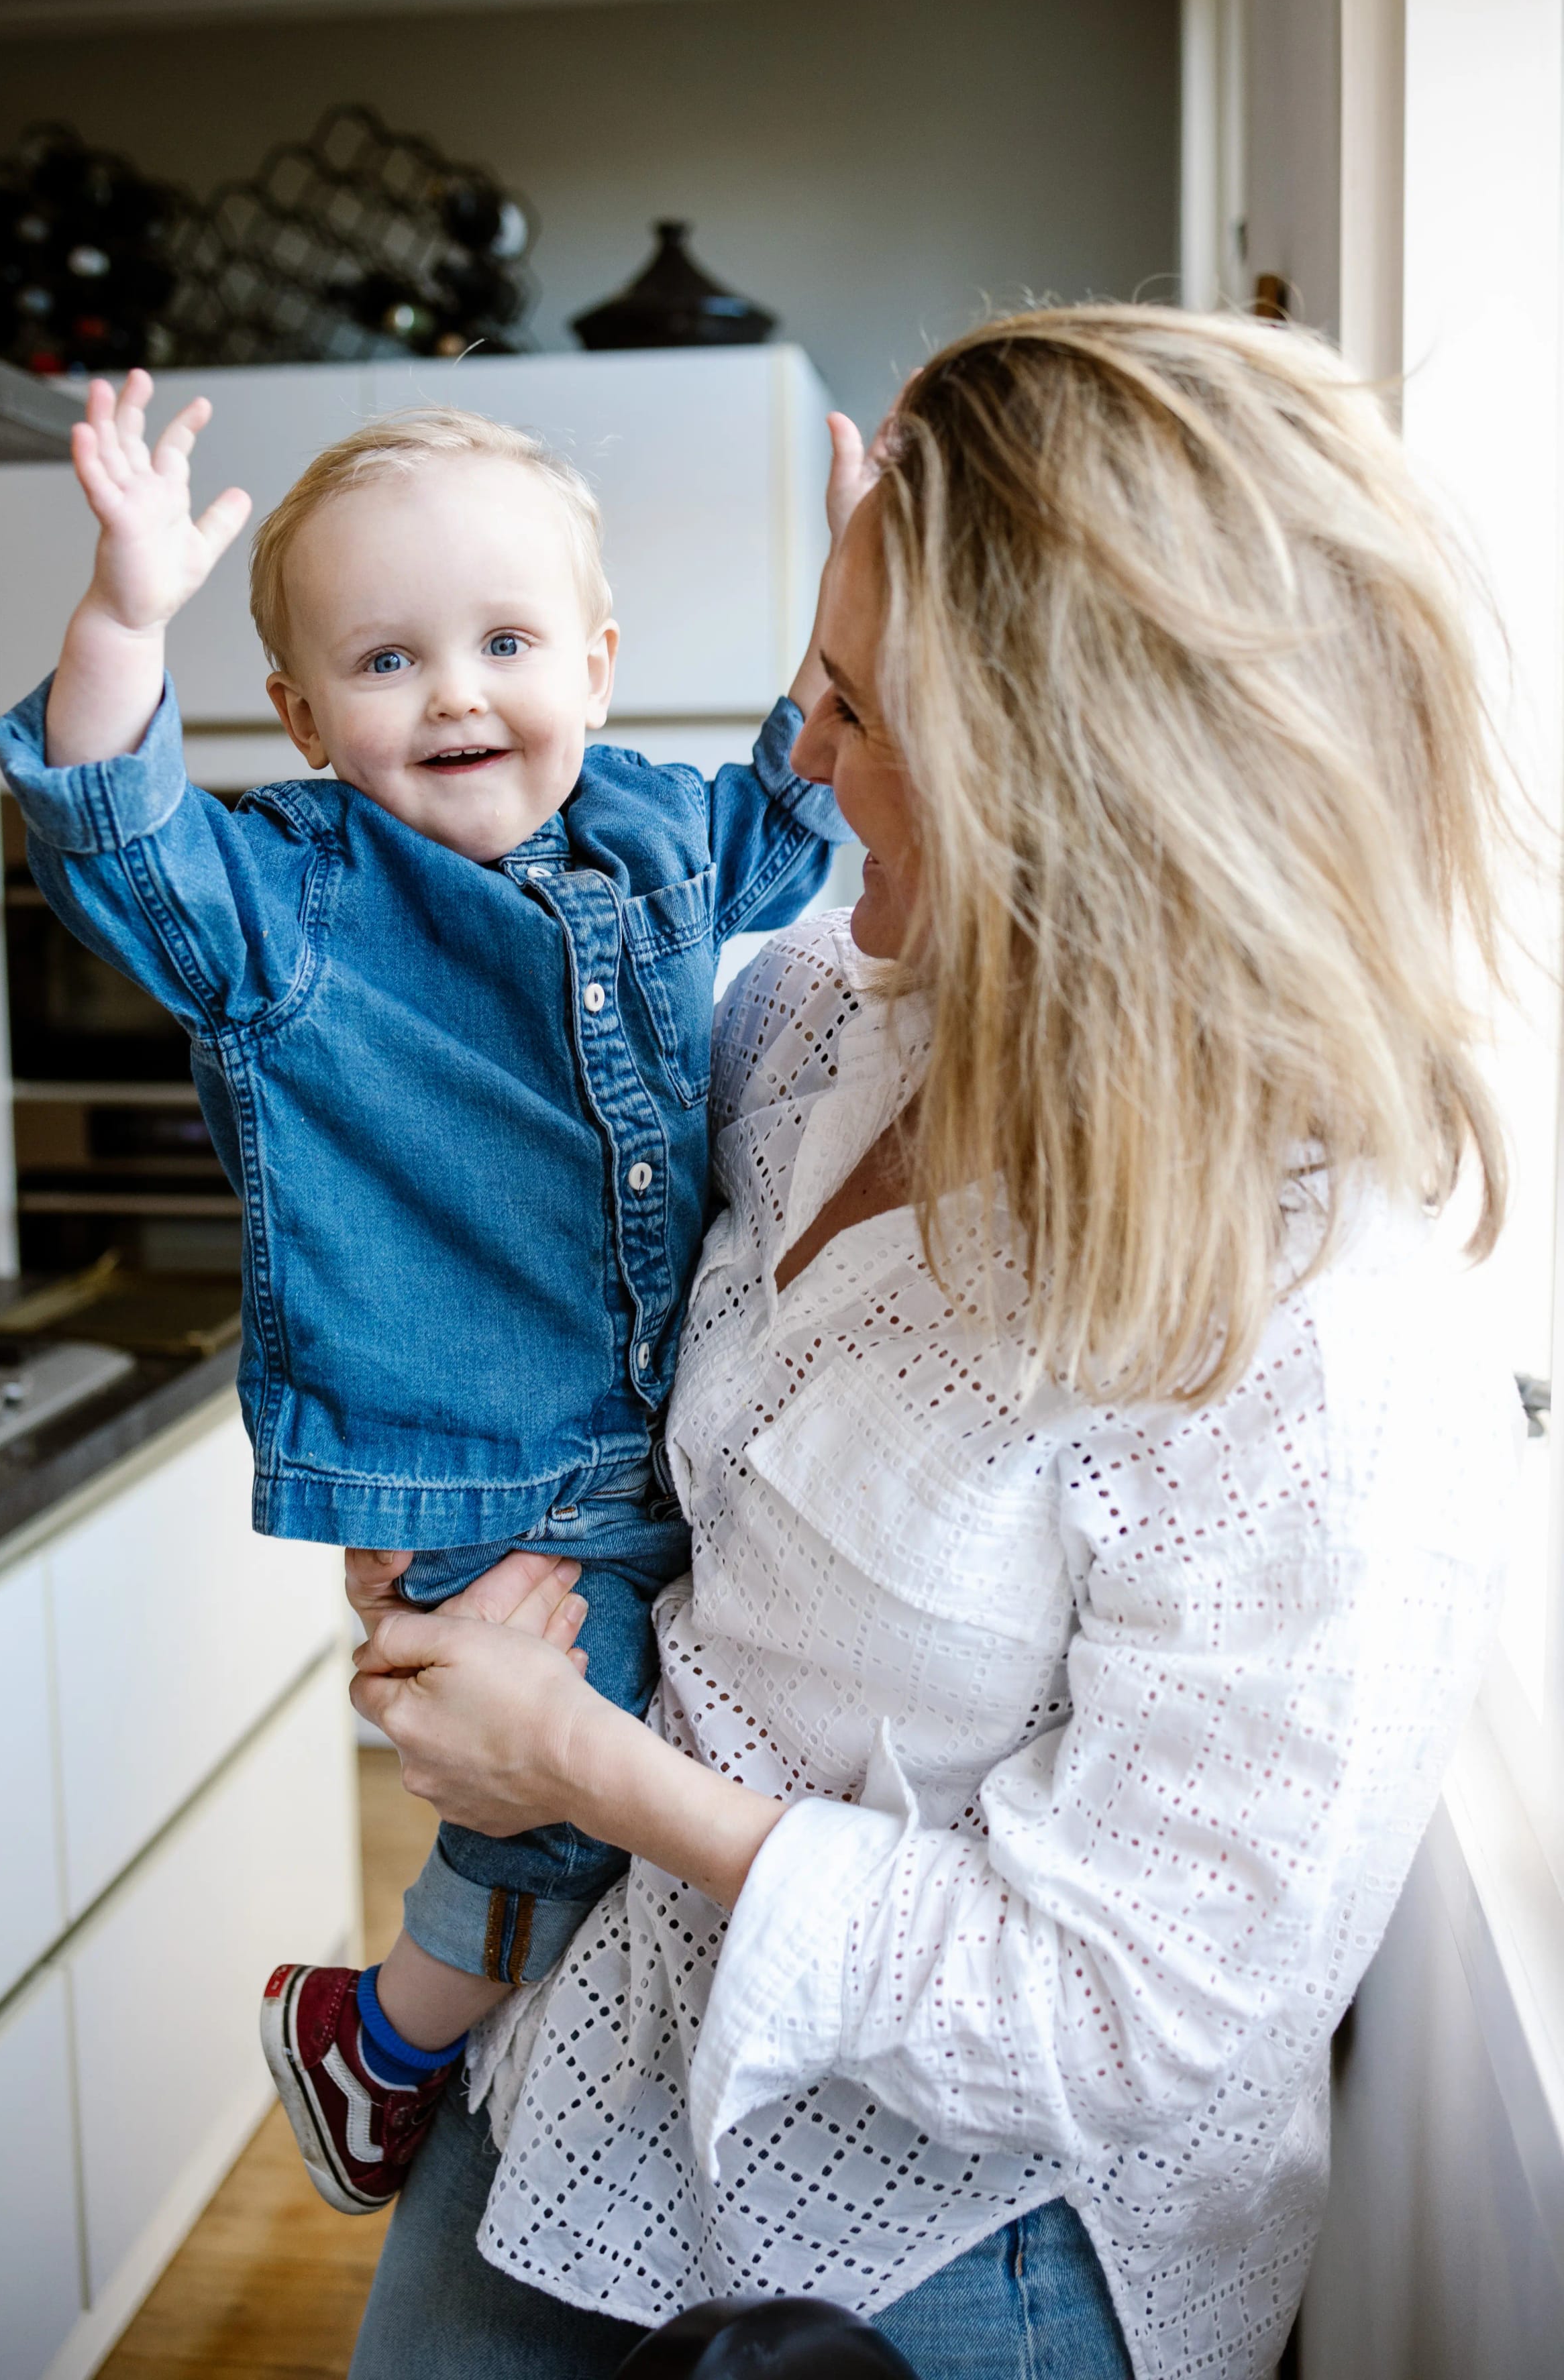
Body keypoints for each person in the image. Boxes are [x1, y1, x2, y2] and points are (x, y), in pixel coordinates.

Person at [343, 306, 1523, 2380]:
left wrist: (590, 1774)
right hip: (596, 2067)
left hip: (971, 2250)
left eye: (861, 706)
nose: (795, 758)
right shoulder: (817, 1024)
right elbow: (546, 1286)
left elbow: (1119, 2021)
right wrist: (445, 1539)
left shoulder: (1314, 1348)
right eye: (811, 678)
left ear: (1086, 792)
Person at [0, 376, 847, 2211]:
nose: (456, 692)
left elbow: (794, 811)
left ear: (598, 666)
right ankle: (387, 2036)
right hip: (459, 1460)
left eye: (507, 640)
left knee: (630, 1743)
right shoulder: (290, 897)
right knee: (575, 1751)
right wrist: (126, 617)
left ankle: (432, 2023)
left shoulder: (656, 834)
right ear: (297, 715)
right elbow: (108, 828)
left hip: (645, 1441)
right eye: (385, 661)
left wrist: (859, 609)